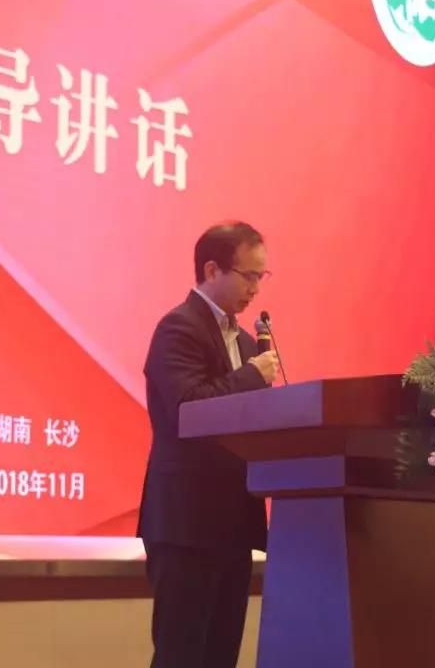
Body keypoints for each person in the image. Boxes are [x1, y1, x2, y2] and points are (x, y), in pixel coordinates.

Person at [138, 221, 280, 668]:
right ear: (212, 270)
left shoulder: (246, 341)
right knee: (182, 655)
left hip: (234, 525)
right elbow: (188, 408)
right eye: (248, 275)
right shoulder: (178, 328)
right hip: (187, 524)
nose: (256, 288)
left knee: (222, 655)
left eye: (261, 276)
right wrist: (252, 376)